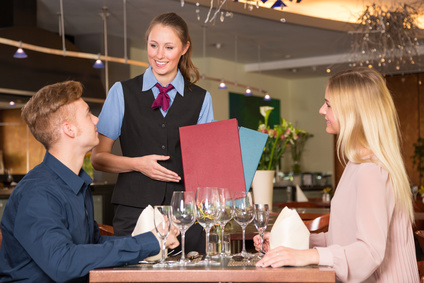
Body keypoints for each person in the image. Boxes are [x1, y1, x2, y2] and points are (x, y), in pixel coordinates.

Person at [0, 81, 179, 283]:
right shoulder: (37, 193)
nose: (96, 120)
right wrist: (146, 242)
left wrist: (153, 237)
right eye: (88, 114)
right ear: (69, 130)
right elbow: (63, 263)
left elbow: (92, 243)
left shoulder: (75, 184)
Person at [254, 68, 419, 282]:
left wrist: (306, 255)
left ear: (353, 112)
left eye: (329, 104)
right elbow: (343, 238)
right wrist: (289, 244)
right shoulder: (358, 164)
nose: (322, 110)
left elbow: (369, 252)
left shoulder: (371, 170)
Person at [91, 12, 214, 253]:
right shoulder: (121, 92)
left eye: (169, 47)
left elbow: (206, 165)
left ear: (184, 48)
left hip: (187, 218)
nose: (159, 55)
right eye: (153, 45)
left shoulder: (201, 99)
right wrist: (138, 164)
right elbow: (98, 158)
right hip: (134, 213)